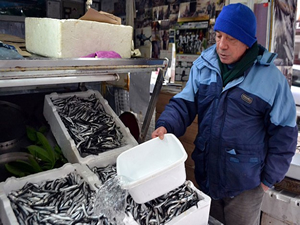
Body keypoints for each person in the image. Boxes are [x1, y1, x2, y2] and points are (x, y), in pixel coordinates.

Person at [152, 3, 298, 225]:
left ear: (248, 42)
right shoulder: (204, 65)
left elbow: (285, 133)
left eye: (231, 39)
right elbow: (184, 102)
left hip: (245, 187)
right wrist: (166, 124)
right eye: (218, 36)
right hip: (207, 177)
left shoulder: (271, 80)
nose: (222, 45)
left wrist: (268, 179)